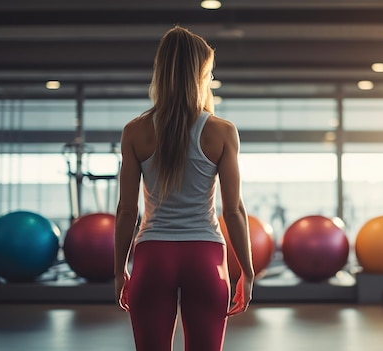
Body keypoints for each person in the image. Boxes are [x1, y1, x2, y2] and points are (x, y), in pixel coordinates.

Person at [113, 25, 254, 351]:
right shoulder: (222, 131)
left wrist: (119, 270)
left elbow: (126, 210)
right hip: (204, 257)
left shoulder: (134, 131)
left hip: (152, 256)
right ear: (201, 74)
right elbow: (233, 210)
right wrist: (247, 271)